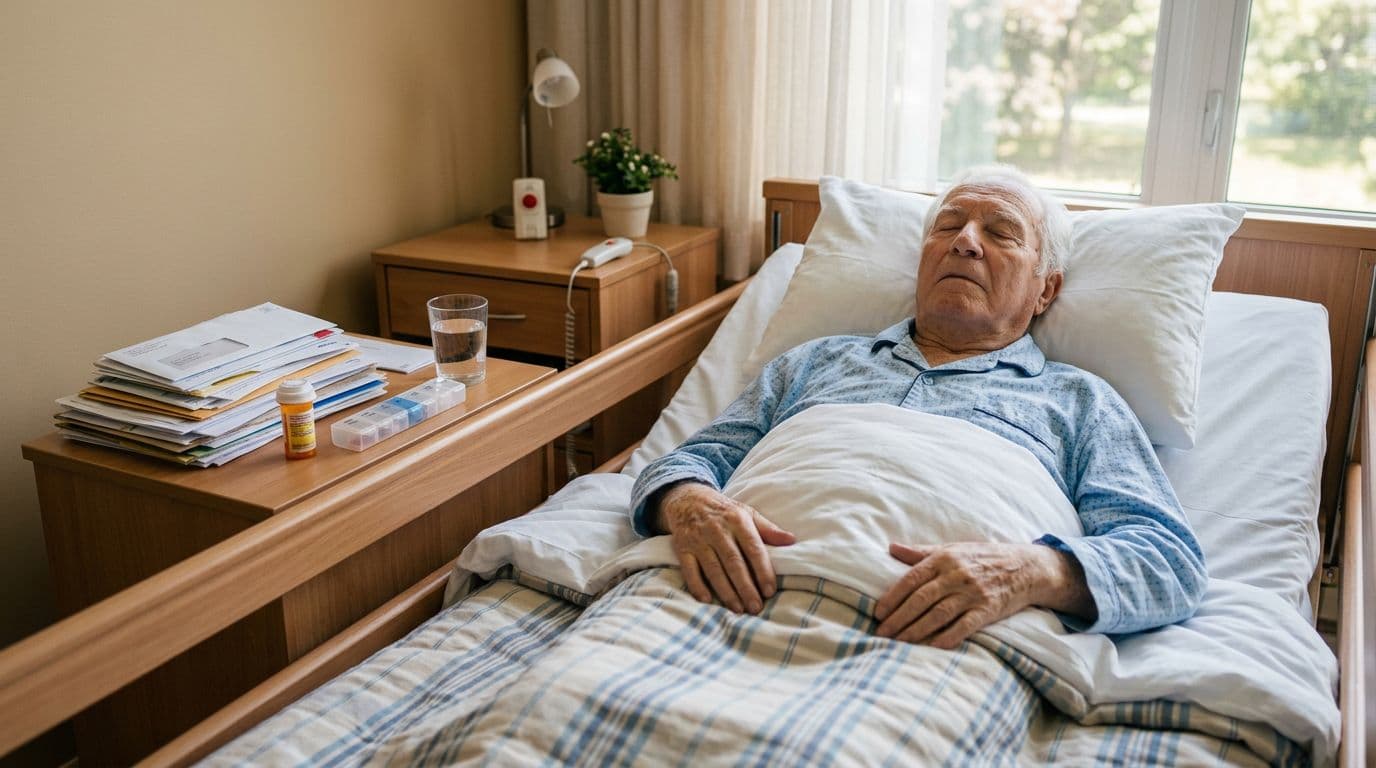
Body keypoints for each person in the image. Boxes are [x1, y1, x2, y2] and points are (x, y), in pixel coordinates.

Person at [629, 165, 1207, 649]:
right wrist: (688, 504)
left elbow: (1167, 561)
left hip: (933, 642)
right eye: (949, 226)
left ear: (1046, 290)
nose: (965, 241)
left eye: (1001, 233)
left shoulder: (1082, 402)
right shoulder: (814, 361)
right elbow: (690, 460)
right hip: (716, 602)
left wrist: (1029, 572)